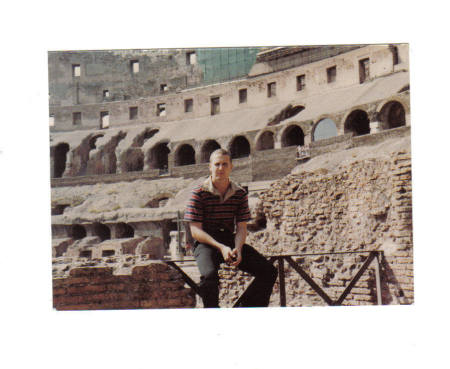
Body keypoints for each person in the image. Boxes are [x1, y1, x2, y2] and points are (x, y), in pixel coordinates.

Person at [184, 148, 277, 308]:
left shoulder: (240, 193)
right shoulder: (198, 193)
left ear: (231, 167)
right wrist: (221, 247)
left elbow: (241, 227)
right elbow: (195, 231)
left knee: (268, 271)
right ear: (210, 167)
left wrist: (238, 249)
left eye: (224, 164)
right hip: (205, 242)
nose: (220, 168)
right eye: (217, 164)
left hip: (228, 239)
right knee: (209, 276)